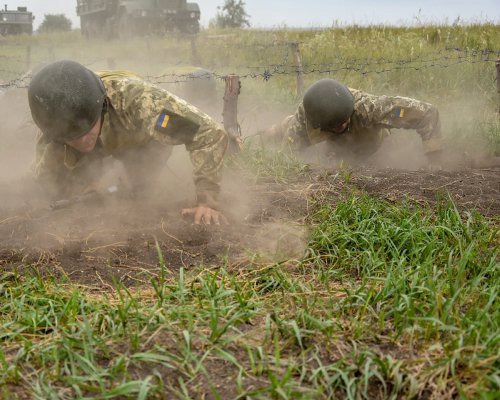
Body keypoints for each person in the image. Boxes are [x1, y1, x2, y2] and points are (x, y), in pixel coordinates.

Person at [28, 60, 228, 225]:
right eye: (71, 137)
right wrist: (86, 184)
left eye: (86, 129)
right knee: (60, 190)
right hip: (98, 148)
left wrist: (207, 201)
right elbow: (46, 183)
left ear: (102, 107)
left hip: (140, 142)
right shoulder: (52, 129)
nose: (81, 140)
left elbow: (207, 133)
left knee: (140, 192)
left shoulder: (140, 103)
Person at [267, 78, 443, 165]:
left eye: (345, 121)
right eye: (336, 126)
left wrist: (435, 162)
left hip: (369, 140)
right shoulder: (304, 121)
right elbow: (286, 156)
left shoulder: (369, 108)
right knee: (285, 130)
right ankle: (270, 132)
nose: (342, 125)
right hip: (322, 140)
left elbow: (427, 113)